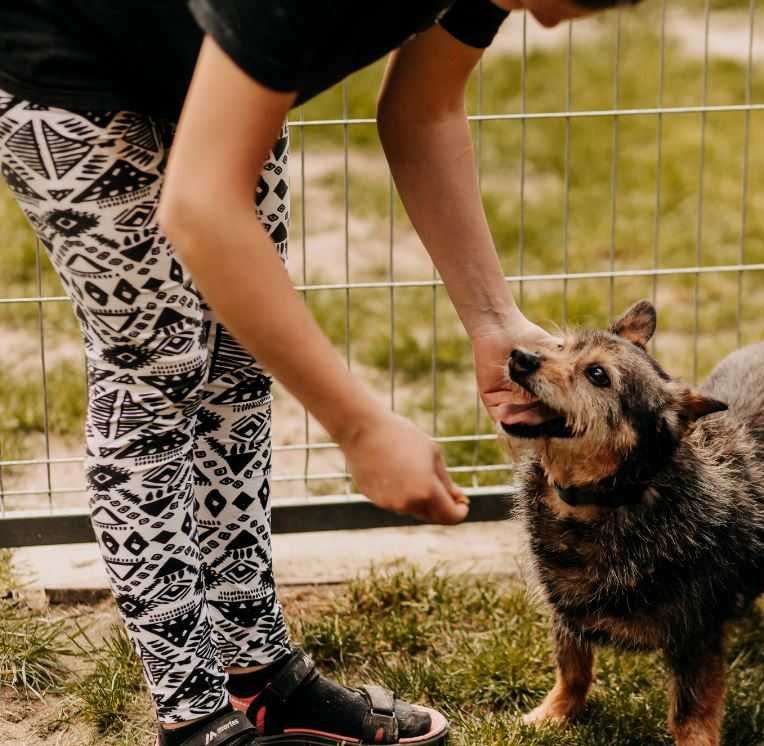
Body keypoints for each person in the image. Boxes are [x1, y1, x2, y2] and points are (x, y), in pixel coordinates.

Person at [0, 1, 635, 744]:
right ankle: (195, 719)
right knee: (157, 369)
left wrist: (492, 320)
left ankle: (260, 674)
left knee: (238, 360)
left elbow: (422, 112)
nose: (564, 24)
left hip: (203, 59)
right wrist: (358, 426)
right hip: (62, 53)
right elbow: (201, 208)